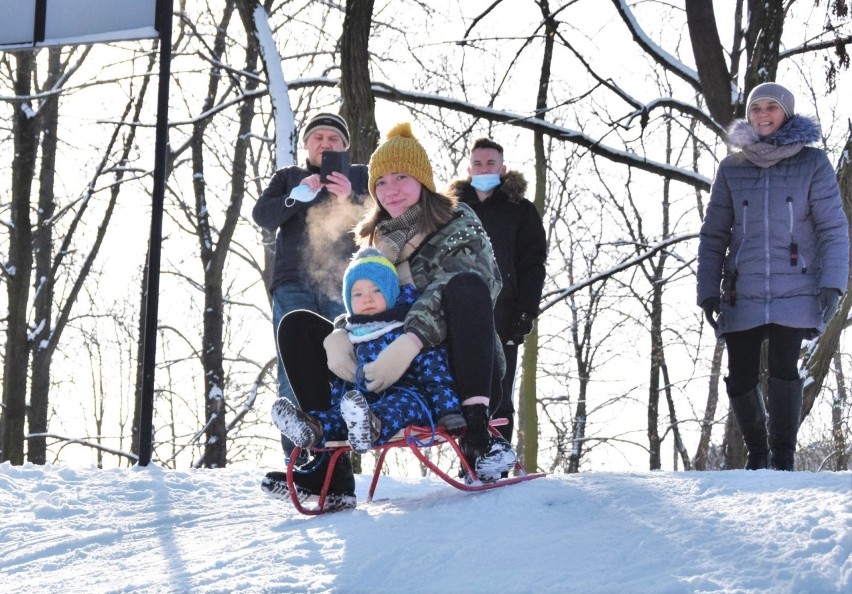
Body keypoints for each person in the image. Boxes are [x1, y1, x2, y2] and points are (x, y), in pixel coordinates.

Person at [262, 122, 518, 508]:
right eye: (381, 181)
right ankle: (330, 470)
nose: (391, 189)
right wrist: (341, 333)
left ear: (422, 181)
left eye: (402, 177)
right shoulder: (374, 238)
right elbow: (364, 300)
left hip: (453, 376)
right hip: (383, 375)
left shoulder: (457, 221)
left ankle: (479, 439)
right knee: (297, 325)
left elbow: (476, 283)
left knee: (466, 286)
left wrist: (410, 341)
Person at [697, 82, 848, 471]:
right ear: (749, 115)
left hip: (796, 285)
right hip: (742, 288)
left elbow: (834, 229)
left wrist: (833, 284)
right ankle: (758, 454)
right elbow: (714, 234)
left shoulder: (812, 163)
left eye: (772, 107)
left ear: (786, 113)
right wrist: (707, 292)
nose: (763, 114)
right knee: (740, 375)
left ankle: (782, 455)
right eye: (756, 108)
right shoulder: (732, 168)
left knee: (784, 369)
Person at [269, 246, 466, 458]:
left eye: (377, 290)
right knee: (338, 415)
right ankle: (312, 428)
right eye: (358, 294)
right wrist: (339, 401)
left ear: (391, 292)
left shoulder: (406, 327)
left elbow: (434, 370)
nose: (367, 299)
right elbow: (346, 382)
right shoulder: (352, 335)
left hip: (410, 396)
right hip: (361, 403)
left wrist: (449, 411)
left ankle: (371, 425)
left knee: (396, 406)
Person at [252, 113, 369, 460]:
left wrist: (351, 199)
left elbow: (385, 220)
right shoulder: (289, 177)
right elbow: (263, 216)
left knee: (344, 362)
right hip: (293, 283)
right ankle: (299, 460)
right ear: (306, 145)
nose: (325, 144)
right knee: (292, 368)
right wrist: (296, 198)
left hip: (345, 284)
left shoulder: (360, 176)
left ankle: (337, 456)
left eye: (333, 139)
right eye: (317, 138)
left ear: (345, 146)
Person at [446, 138, 547, 443]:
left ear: (502, 168)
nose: (484, 168)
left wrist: (526, 311)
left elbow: (532, 264)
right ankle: (469, 455)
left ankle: (498, 454)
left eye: (490, 163)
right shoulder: (451, 210)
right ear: (468, 168)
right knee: (461, 387)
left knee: (499, 389)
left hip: (504, 313)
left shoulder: (521, 211)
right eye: (478, 163)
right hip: (458, 310)